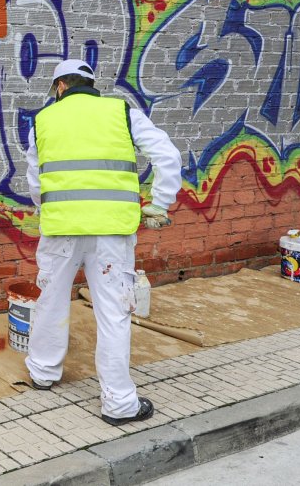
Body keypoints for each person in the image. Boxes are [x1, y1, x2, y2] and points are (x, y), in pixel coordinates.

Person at [24, 59, 181, 425]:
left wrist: (50, 209)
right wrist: (160, 202)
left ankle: (43, 373)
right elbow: (167, 155)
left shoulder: (42, 121)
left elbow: (36, 182)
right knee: (112, 311)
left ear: (60, 86)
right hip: (111, 231)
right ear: (90, 84)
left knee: (50, 299)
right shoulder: (121, 112)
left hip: (61, 228)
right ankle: (119, 403)